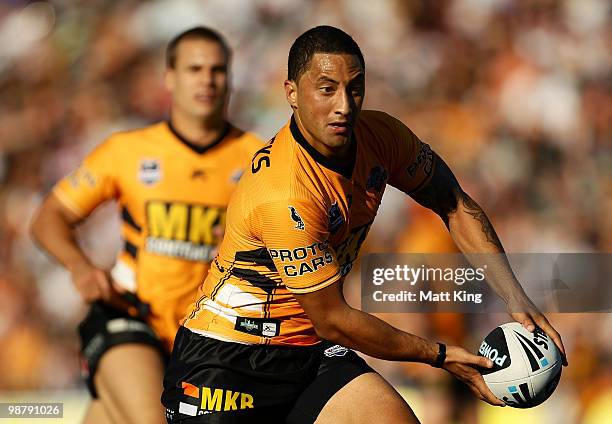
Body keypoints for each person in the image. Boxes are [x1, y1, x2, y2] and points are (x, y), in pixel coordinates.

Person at [161, 26, 567, 424]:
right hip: (226, 358)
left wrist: (516, 297)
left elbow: (454, 204)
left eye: (354, 88)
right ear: (291, 93)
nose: (343, 105)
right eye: (326, 89)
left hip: (307, 350)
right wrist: (440, 355)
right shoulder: (286, 193)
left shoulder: (381, 136)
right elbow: (333, 318)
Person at [30, 27, 262, 424]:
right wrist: (80, 266)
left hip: (211, 337)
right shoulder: (127, 151)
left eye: (217, 70)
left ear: (231, 78)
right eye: (194, 69)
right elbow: (49, 217)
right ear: (169, 77)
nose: (207, 80)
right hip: (131, 315)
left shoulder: (260, 160)